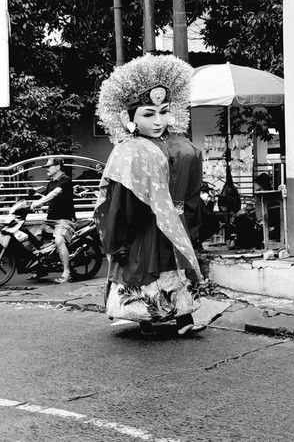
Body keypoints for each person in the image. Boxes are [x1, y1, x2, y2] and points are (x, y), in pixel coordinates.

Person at [94, 53, 206, 337]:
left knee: (165, 270)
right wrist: (119, 238)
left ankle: (175, 319)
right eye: (148, 113)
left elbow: (192, 192)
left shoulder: (170, 146)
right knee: (155, 269)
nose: (158, 120)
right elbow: (121, 202)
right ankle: (155, 320)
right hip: (152, 227)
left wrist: (114, 239)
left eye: (164, 111)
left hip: (162, 227)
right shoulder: (136, 150)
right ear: (127, 117)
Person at [30, 157, 76, 283]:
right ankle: (41, 269)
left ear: (57, 166)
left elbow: (55, 193)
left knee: (59, 240)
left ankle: (67, 273)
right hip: (50, 220)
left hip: (64, 220)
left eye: (49, 167)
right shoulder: (50, 183)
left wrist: (39, 202)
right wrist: (32, 200)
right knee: (35, 239)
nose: (47, 170)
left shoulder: (65, 180)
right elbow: (46, 196)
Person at [197, 183, 219, 248]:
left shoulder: (200, 200)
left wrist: (212, 198)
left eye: (206, 191)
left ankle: (198, 242)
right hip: (197, 223)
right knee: (213, 220)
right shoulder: (197, 200)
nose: (205, 193)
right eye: (203, 191)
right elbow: (207, 213)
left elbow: (207, 211)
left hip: (200, 222)